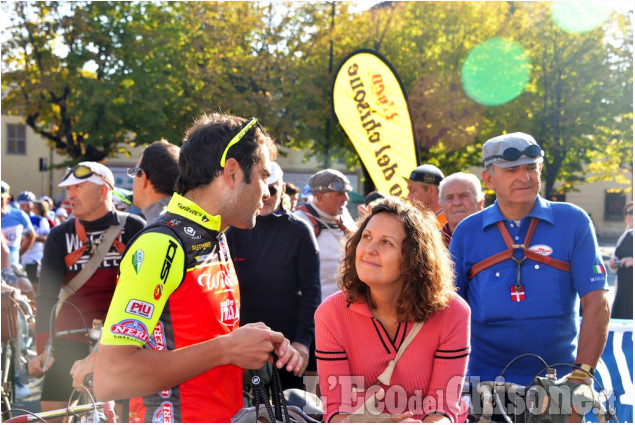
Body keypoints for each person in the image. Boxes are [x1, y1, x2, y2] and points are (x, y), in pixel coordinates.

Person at [94, 113, 302, 423]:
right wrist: (226, 349)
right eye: (262, 175)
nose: (268, 192)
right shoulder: (161, 244)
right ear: (232, 172)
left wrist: (250, 346)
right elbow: (112, 377)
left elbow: (198, 343)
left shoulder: (216, 235)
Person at [450, 132, 609, 412]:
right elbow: (449, 310)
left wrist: (580, 378)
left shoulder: (573, 221)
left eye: (531, 167)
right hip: (483, 389)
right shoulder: (467, 231)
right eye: (512, 170)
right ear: (488, 179)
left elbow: (597, 302)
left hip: (559, 387)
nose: (524, 177)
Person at [315, 197, 470, 423]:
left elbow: (443, 409)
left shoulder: (453, 312)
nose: (369, 249)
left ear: (414, 258)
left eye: (386, 242)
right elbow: (336, 412)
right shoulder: (331, 314)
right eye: (366, 237)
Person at [28, 162, 146, 415]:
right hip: (68, 337)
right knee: (52, 413)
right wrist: (42, 350)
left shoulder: (135, 227)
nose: (70, 194)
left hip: (120, 338)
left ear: (104, 191)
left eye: (78, 186)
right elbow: (46, 296)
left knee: (127, 415)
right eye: (68, 188)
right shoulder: (60, 235)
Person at [226, 162, 321, 390]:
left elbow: (312, 292)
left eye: (273, 190)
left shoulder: (299, 231)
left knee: (292, 413)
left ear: (282, 189)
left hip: (288, 346)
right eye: (262, 189)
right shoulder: (234, 230)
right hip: (244, 343)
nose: (266, 196)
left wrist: (303, 342)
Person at [294, 169, 357, 300]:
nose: (346, 198)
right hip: (316, 311)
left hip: (347, 306)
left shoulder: (345, 218)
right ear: (320, 197)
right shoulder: (299, 222)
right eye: (340, 193)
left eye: (346, 193)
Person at [129, 139, 180, 222]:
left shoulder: (156, 225)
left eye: (134, 171)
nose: (133, 179)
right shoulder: (187, 217)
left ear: (142, 177)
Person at [438, 172, 484, 247]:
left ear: (480, 203)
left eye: (464, 196)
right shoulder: (430, 244)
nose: (456, 203)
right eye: (449, 197)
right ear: (442, 205)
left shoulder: (497, 237)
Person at [1, 181, 36, 268]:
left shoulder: (19, 215)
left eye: (1, 198)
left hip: (12, 266)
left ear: (8, 199)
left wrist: (17, 254)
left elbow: (31, 236)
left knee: (25, 282)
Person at [19, 196, 51, 287]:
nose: (25, 208)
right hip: (21, 257)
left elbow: (46, 238)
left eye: (27, 206)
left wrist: (31, 237)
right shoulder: (17, 219)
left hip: (35, 257)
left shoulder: (40, 220)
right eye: (22, 206)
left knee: (33, 282)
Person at [608, 201, 633, 319]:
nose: (628, 216)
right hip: (622, 292)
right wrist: (613, 262)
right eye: (626, 213)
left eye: (632, 212)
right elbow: (615, 257)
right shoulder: (626, 234)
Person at [404, 164, 447, 229]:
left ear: (431, 190)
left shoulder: (449, 225)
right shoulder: (428, 223)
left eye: (413, 191)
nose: (408, 197)